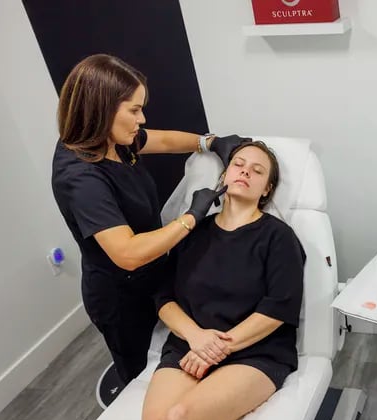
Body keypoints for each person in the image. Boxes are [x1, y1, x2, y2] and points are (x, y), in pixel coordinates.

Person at [103, 140, 305, 420]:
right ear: (224, 176)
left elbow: (278, 310)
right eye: (238, 164)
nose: (244, 171)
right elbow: (164, 300)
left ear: (267, 189)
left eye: (257, 171)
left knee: (179, 419)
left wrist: (216, 348)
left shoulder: (279, 238)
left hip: (254, 354)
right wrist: (196, 337)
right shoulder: (192, 231)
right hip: (188, 344)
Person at [52, 54, 248, 396]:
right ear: (100, 109)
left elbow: (164, 141)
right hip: (120, 296)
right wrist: (192, 217)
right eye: (133, 110)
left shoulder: (114, 141)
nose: (141, 120)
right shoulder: (82, 178)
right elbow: (126, 253)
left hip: (153, 276)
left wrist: (209, 142)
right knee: (142, 376)